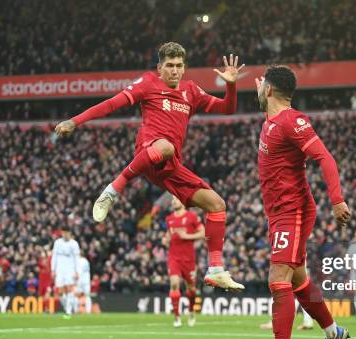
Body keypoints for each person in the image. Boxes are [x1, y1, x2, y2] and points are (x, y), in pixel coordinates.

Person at [55, 42, 244, 291]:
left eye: (179, 66)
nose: (174, 71)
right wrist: (75, 121)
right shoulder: (148, 83)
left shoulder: (191, 91)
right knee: (165, 147)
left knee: (217, 205)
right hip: (149, 149)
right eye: (169, 66)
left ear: (184, 67)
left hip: (170, 165)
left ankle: (216, 270)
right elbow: (112, 104)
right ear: (159, 67)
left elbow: (227, 109)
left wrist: (231, 84)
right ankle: (113, 190)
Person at [247, 66, 352, 339]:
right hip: (278, 212)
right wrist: (261, 93)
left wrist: (337, 199)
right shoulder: (272, 120)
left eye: (263, 85)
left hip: (292, 212)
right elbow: (271, 108)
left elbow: (325, 157)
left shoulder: (293, 121)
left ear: (269, 90)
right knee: (298, 281)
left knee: (278, 279)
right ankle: (334, 333)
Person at [163, 196, 204, 327]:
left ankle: (191, 312)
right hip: (173, 257)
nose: (174, 202)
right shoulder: (169, 219)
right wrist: (165, 240)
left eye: (176, 199)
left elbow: (203, 233)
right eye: (172, 200)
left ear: (182, 201)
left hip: (189, 259)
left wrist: (188, 236)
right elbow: (168, 236)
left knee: (191, 289)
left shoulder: (192, 217)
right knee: (174, 283)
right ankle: (177, 317)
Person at [51, 227, 79, 319]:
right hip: (60, 269)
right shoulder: (57, 243)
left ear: (70, 233)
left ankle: (68, 312)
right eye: (63, 233)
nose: (65, 234)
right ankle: (70, 307)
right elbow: (54, 256)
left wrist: (77, 271)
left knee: (69, 289)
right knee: (60, 293)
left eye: (66, 233)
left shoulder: (74, 244)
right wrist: (53, 270)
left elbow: (76, 259)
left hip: (70, 269)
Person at [75, 250, 92, 314]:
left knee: (77, 295)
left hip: (80, 280)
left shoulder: (79, 261)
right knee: (87, 295)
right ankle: (88, 311)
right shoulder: (86, 261)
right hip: (87, 280)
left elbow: (79, 271)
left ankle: (76, 309)